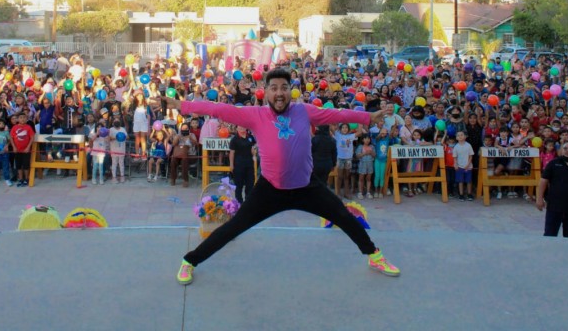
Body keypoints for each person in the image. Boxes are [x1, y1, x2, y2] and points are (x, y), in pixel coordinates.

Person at [165, 68, 399, 286]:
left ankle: (374, 255)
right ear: (265, 92)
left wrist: (368, 118)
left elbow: (336, 114)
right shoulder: (255, 115)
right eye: (274, 88)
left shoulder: (304, 111)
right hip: (270, 189)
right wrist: (182, 105)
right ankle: (190, 261)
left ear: (290, 91)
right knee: (233, 227)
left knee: (345, 217)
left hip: (307, 187)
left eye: (284, 87)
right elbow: (218, 109)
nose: (279, 93)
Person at [229, 125, 256, 203]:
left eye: (243, 127)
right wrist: (231, 165)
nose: (242, 128)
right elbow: (232, 153)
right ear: (236, 128)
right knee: (238, 185)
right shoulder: (234, 139)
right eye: (240, 127)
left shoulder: (250, 137)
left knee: (250, 184)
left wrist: (254, 149)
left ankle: (248, 202)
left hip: (249, 164)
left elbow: (255, 145)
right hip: (238, 165)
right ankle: (239, 202)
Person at [169, 122, 198, 187]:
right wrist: (176, 138)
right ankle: (173, 178)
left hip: (190, 155)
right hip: (179, 154)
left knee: (184, 160)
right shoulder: (178, 135)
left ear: (188, 129)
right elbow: (173, 145)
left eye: (186, 128)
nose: (184, 130)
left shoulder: (192, 135)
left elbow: (196, 144)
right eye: (183, 128)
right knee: (173, 159)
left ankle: (185, 180)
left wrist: (190, 138)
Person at [10, 112, 35, 187]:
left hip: (26, 150)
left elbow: (32, 137)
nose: (22, 119)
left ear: (27, 119)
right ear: (17, 119)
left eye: (24, 117)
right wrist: (14, 147)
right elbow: (11, 138)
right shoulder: (14, 127)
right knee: (18, 165)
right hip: (17, 150)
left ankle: (26, 179)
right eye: (20, 117)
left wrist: (28, 147)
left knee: (26, 165)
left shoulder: (28, 127)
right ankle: (20, 179)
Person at [452, 130, 475, 201]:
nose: (460, 136)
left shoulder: (468, 145)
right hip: (459, 166)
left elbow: (471, 156)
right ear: (456, 138)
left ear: (465, 137)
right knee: (460, 181)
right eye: (458, 135)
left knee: (468, 181)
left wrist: (468, 165)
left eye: (462, 135)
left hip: (468, 167)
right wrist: (455, 164)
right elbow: (455, 157)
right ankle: (461, 194)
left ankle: (469, 194)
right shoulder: (456, 147)